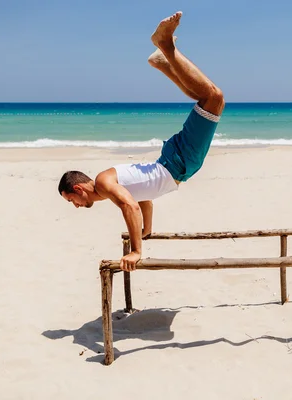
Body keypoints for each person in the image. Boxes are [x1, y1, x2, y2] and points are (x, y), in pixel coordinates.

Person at [57, 11, 225, 272]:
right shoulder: (106, 188)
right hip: (174, 162)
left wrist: (136, 250)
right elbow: (143, 198)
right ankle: (162, 61)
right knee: (208, 100)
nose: (76, 206)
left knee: (214, 98)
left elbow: (130, 205)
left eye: (72, 201)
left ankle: (165, 46)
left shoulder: (103, 183)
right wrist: (147, 228)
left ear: (78, 189)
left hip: (177, 163)